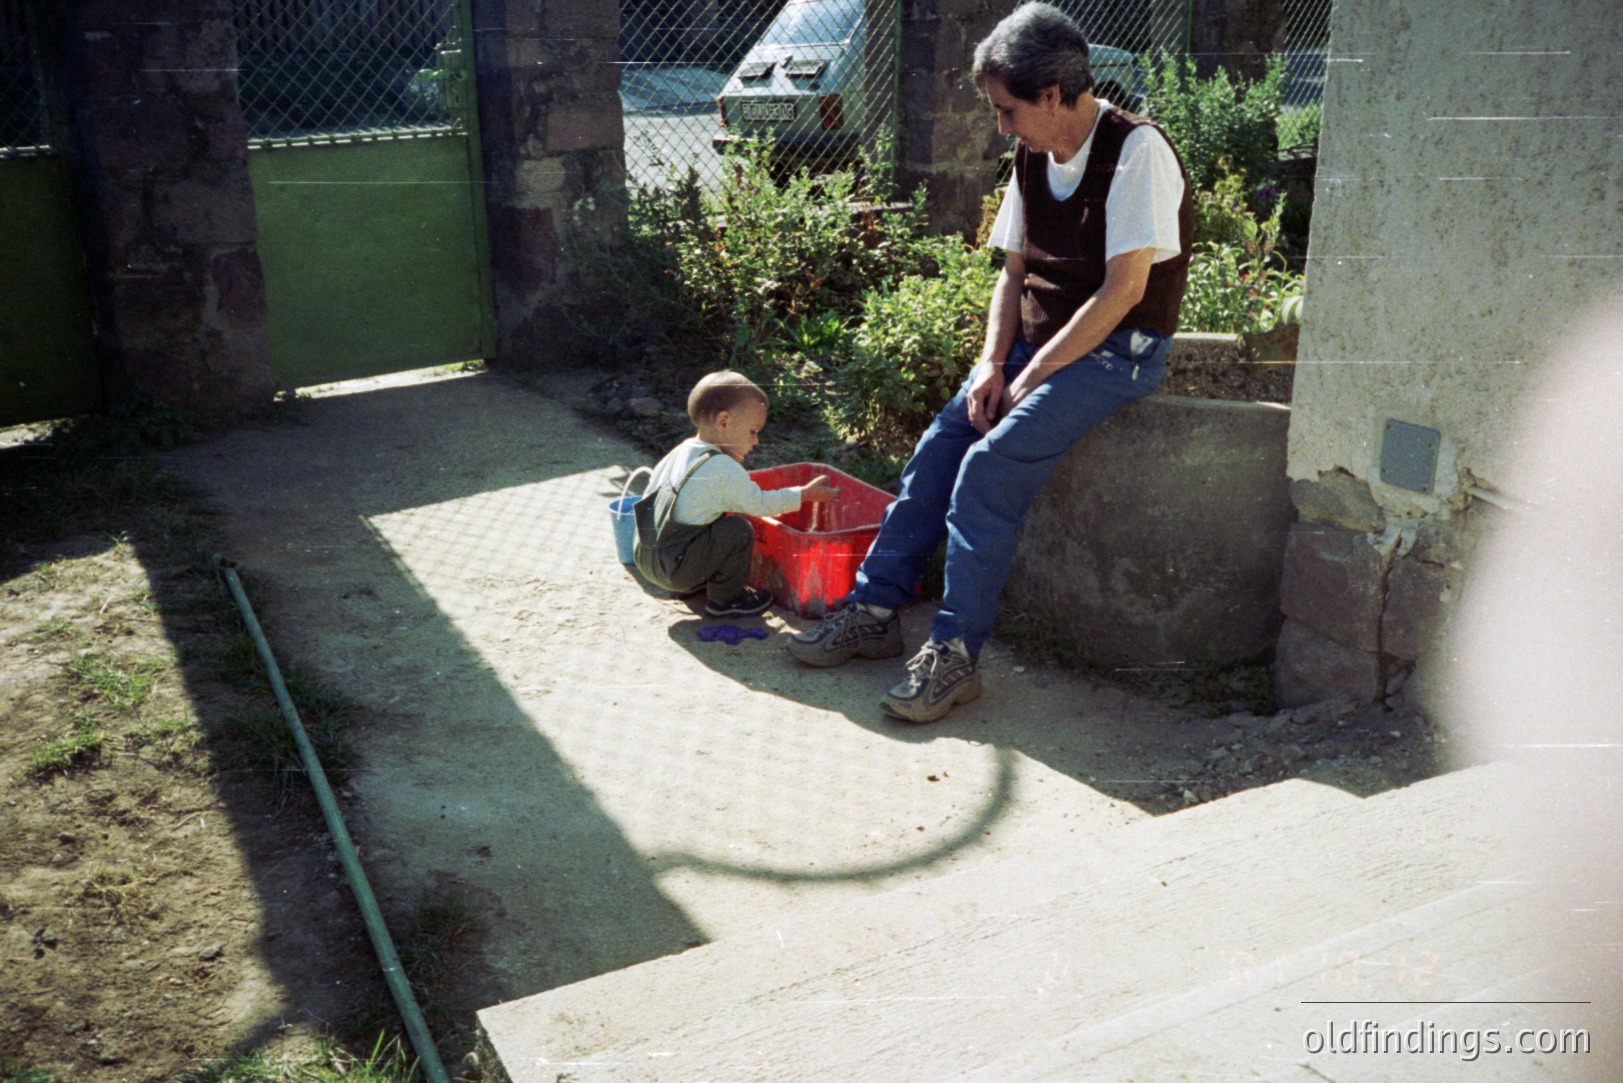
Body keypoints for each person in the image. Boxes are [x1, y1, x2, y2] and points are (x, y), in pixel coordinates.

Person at [789, 1, 1193, 722]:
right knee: (940, 448)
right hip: (1040, 346)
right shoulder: (1030, 152)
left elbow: (1122, 290)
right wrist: (989, 365)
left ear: (1052, 94)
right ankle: (876, 608)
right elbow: (1011, 274)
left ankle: (954, 655)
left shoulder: (1136, 152)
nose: (999, 126)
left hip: (1117, 352)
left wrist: (1030, 377)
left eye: (1007, 109)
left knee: (987, 468)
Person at [634, 371, 839, 618]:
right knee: (737, 529)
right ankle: (726, 600)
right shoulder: (722, 467)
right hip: (674, 568)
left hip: (646, 557)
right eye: (752, 431)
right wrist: (804, 494)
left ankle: (692, 582)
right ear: (723, 422)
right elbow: (760, 504)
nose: (756, 441)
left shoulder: (683, 451)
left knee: (714, 520)